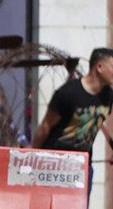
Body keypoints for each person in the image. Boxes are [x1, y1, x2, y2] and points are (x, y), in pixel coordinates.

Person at [32, 47, 113, 198]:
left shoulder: (108, 95)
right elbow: (45, 127)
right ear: (99, 67)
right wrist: (33, 157)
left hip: (82, 164)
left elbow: (98, 120)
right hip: (56, 163)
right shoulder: (68, 94)